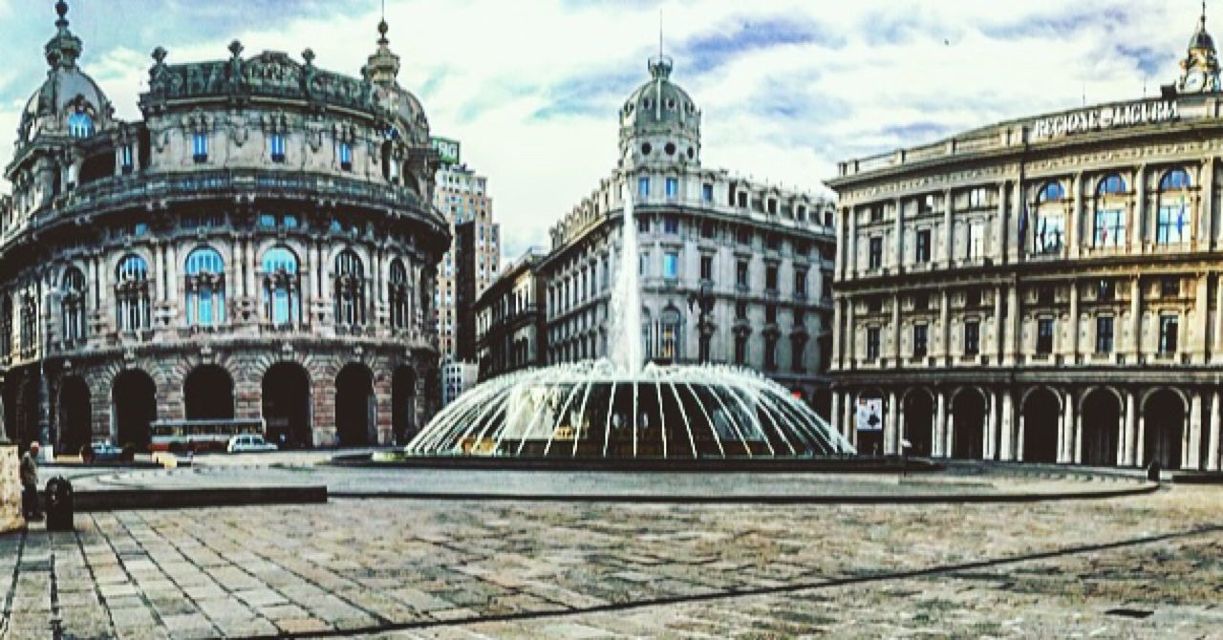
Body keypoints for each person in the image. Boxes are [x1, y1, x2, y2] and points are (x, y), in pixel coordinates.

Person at [20, 441, 41, 521]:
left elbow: (33, 469)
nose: (37, 452)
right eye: (36, 450)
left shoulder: (33, 456)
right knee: (31, 497)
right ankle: (29, 512)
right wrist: (23, 479)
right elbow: (22, 468)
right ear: (32, 449)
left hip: (31, 480)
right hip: (28, 481)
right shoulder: (27, 456)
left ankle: (32, 512)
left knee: (32, 497)